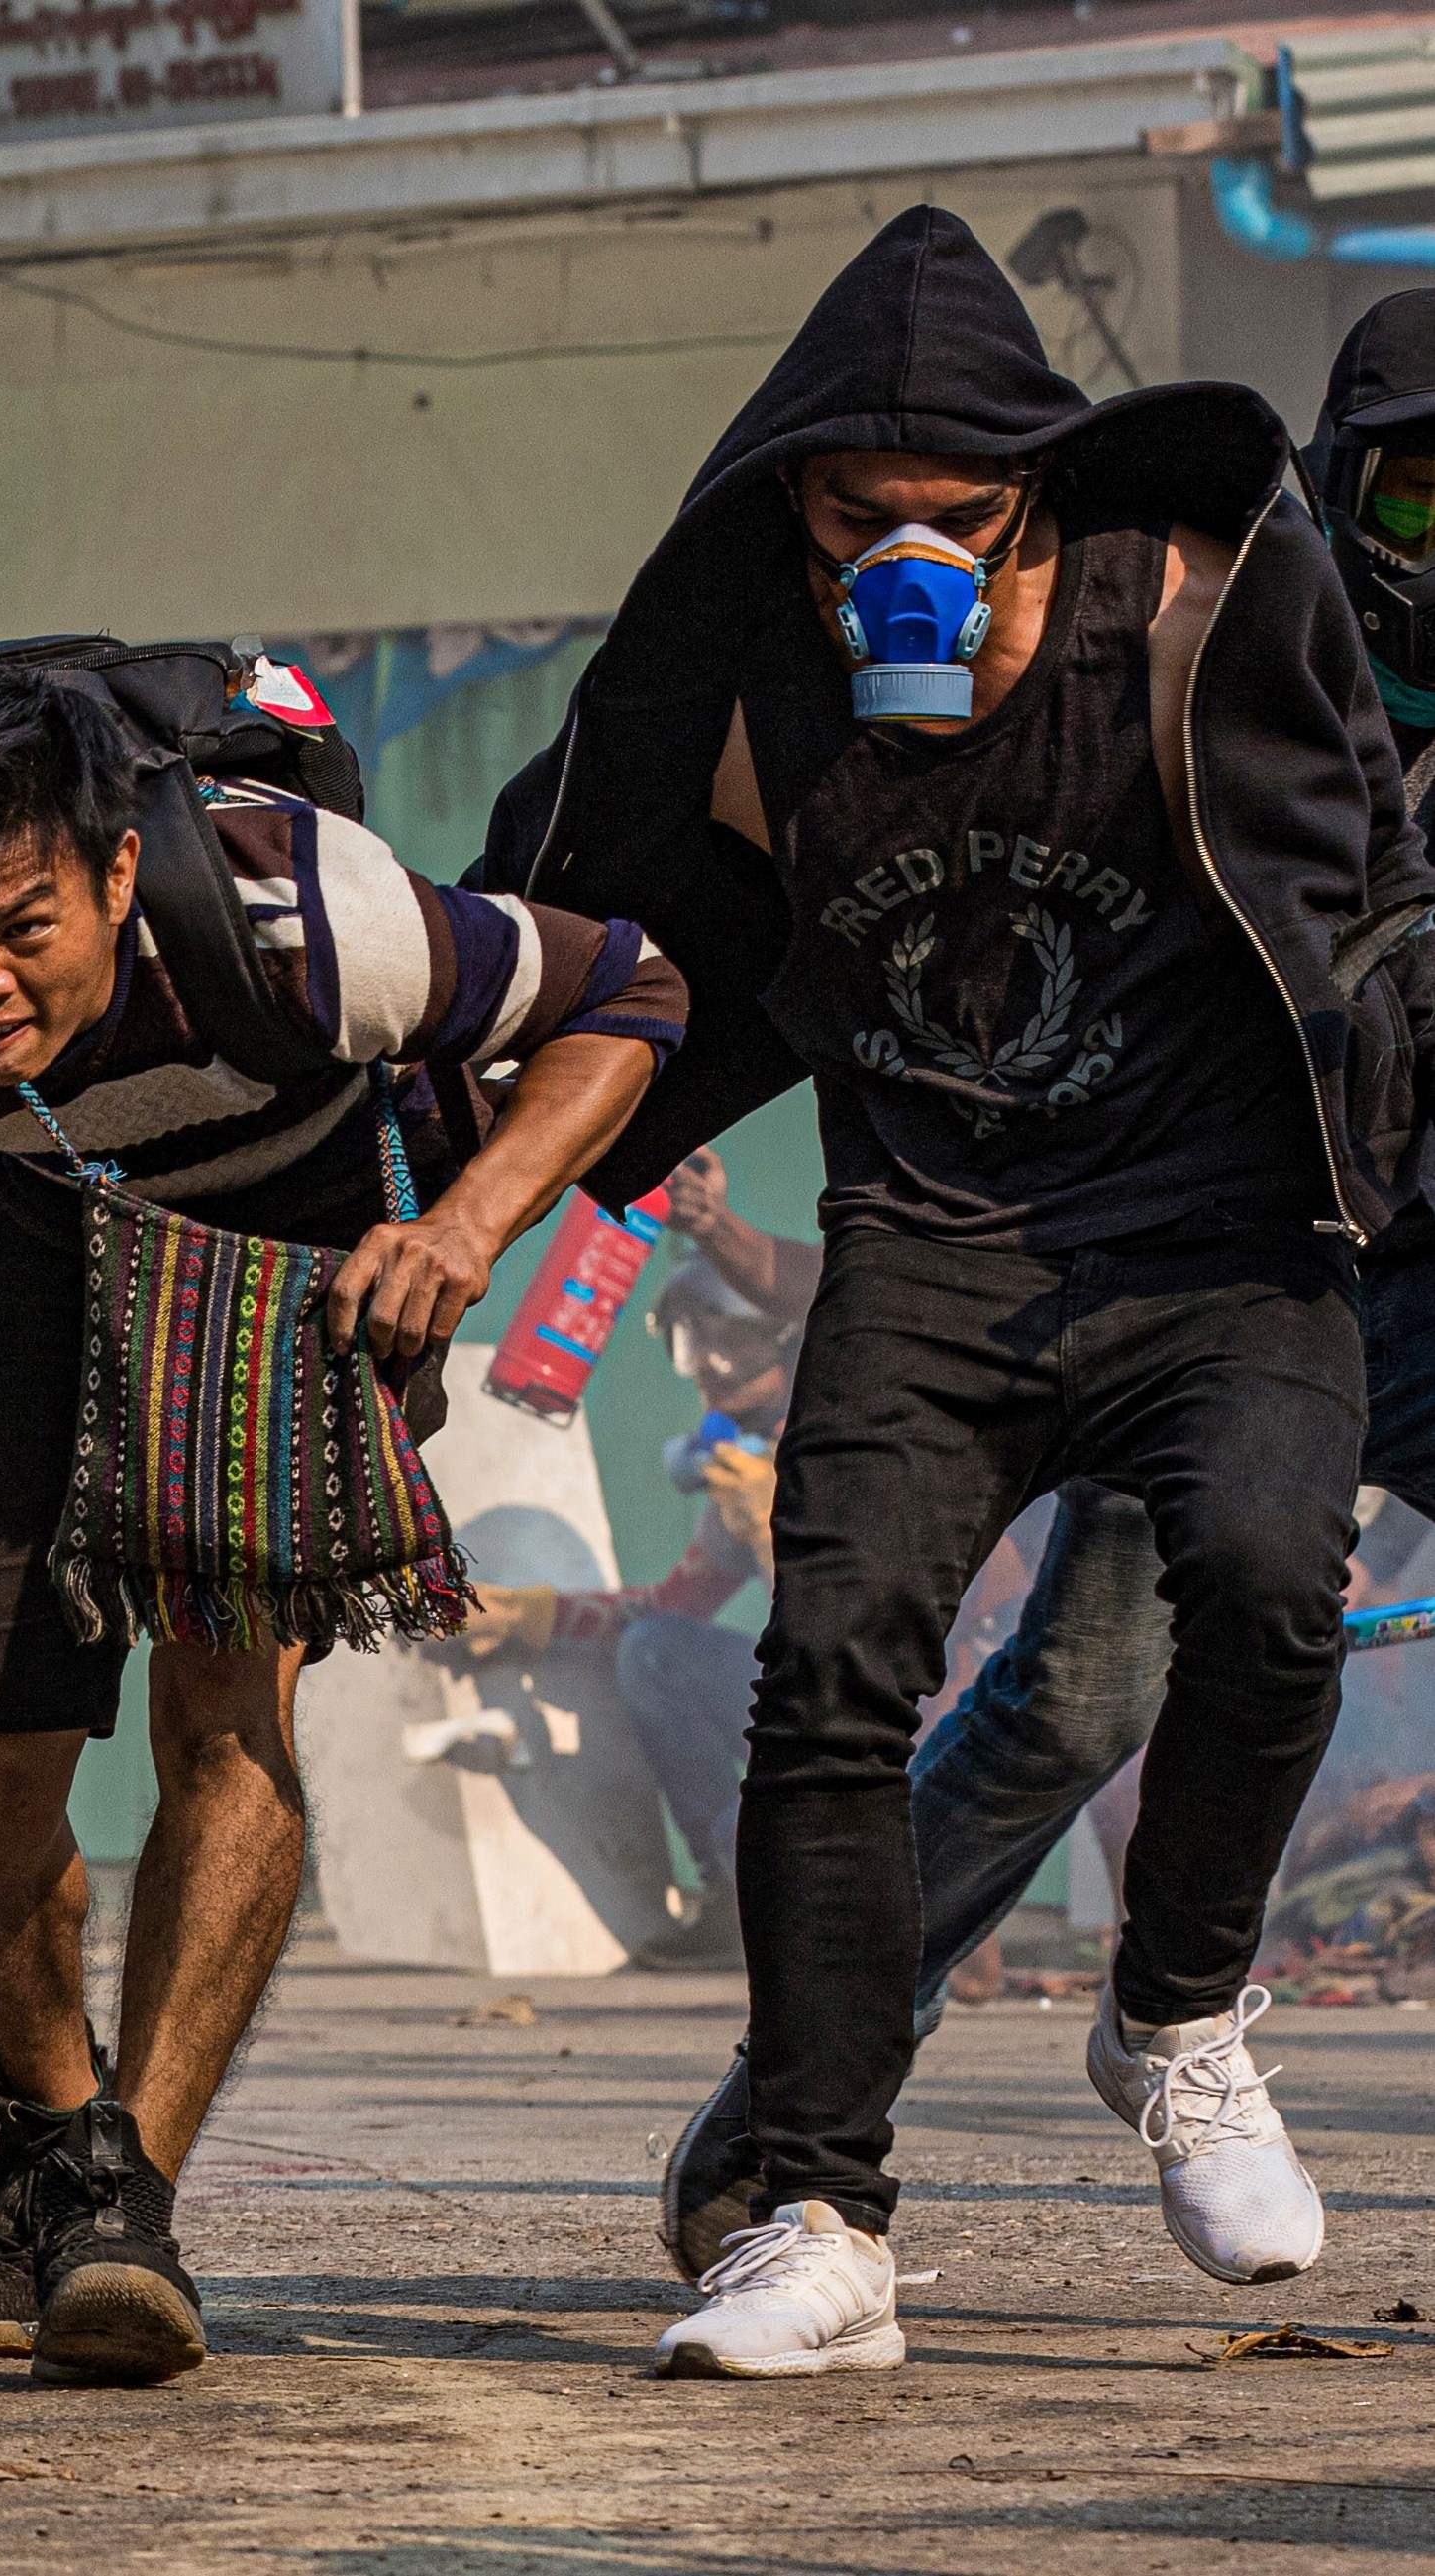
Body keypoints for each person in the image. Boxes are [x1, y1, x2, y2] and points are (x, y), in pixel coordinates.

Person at [477, 209, 1435, 2378]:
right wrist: (437, 1160)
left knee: (1268, 1587)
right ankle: (813, 2190)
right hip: (953, 1246)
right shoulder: (768, 685)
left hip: (1248, 1235)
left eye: (957, 519)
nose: (903, 558)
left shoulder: (1191, 617)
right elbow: (586, 916)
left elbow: (1361, 918)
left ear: (1036, 497)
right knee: (935, 1683)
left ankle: (1177, 2014)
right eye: (853, 518)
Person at [0, 664, 685, 2383]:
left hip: (292, 1263)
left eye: (24, 930)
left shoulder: (308, 915)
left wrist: (467, 1230)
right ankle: (72, 2154)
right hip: (46, 1258)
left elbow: (630, 988)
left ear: (117, 871)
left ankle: (122, 2207)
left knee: (224, 1709)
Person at [458, 1250, 793, 1957]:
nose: (708, 1365)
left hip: (906, 1705)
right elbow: (674, 1605)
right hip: (806, 1694)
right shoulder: (747, 1463)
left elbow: (863, 1632)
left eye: (731, 1340)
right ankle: (734, 1894)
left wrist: (776, 1541)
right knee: (658, 1650)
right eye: (689, 1342)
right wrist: (528, 1613)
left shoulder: (847, 1448)